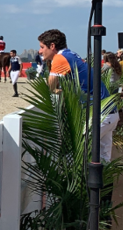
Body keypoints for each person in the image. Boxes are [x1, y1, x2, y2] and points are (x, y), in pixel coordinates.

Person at [38, 29, 118, 163]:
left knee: (75, 155)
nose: (40, 51)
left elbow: (51, 85)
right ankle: (103, 184)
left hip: (99, 115)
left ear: (52, 46)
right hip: (110, 112)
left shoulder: (59, 57)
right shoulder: (71, 54)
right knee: (104, 160)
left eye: (42, 47)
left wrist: (59, 91)